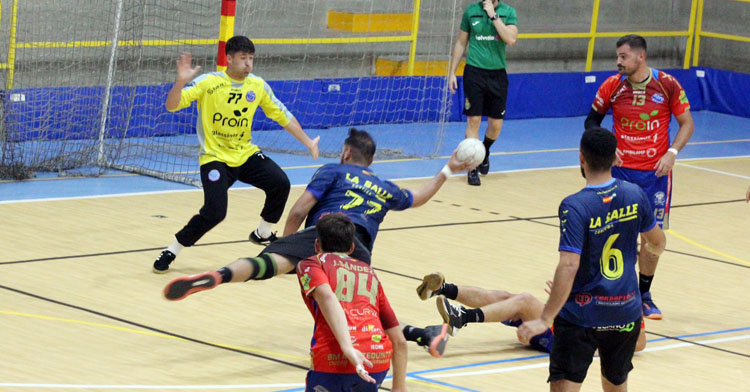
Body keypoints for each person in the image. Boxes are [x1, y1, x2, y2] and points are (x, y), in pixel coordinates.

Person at [161, 128, 475, 301]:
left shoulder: (334, 170)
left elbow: (299, 209)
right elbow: (417, 198)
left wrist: (282, 246)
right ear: (372, 159)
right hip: (358, 247)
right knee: (351, 308)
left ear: (347, 153)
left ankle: (220, 275)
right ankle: (413, 336)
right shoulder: (383, 186)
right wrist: (448, 169)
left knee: (267, 265)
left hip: (322, 235)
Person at [153, 36, 320, 274]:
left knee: (280, 183)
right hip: (215, 158)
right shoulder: (209, 82)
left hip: (245, 153)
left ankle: (263, 233)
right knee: (215, 212)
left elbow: (282, 115)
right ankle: (173, 248)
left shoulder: (257, 85)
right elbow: (172, 105)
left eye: (251, 58)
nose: (248, 64)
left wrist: (308, 142)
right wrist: (180, 82)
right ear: (229, 59)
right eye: (243, 58)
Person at [517, 127, 666, 392]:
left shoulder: (574, 206)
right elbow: (656, 243)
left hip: (581, 315)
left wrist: (545, 318)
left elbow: (569, 264)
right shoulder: (634, 194)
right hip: (625, 312)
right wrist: (638, 286)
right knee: (616, 385)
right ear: (615, 157)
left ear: (581, 158)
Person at [584, 34, 694, 319]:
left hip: (654, 177)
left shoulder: (667, 84)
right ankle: (611, 292)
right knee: (613, 235)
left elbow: (687, 123)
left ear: (640, 56)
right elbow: (591, 121)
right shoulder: (612, 85)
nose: (618, 61)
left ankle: (644, 294)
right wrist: (610, 147)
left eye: (623, 56)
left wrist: (672, 152)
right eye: (618, 56)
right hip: (617, 174)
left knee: (654, 241)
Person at [402, 273, 646, 357]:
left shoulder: (628, 297)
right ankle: (443, 289)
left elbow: (640, 343)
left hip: (572, 339)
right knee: (509, 298)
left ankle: (462, 318)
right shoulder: (600, 280)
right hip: (565, 323)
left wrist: (596, 344)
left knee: (525, 301)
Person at [295, 214, 407, 391]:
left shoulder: (311, 264)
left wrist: (348, 348)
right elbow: (399, 340)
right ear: (352, 247)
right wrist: (400, 388)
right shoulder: (369, 273)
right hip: (376, 360)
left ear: (317, 244)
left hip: (335, 360)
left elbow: (327, 297)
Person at [448, 0, 518, 186]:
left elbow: (510, 39)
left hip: (497, 75)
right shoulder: (471, 11)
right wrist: (452, 72)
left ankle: (484, 151)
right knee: (474, 120)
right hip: (474, 73)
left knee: (495, 124)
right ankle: (472, 168)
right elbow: (461, 42)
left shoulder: (508, 12)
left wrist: (493, 16)